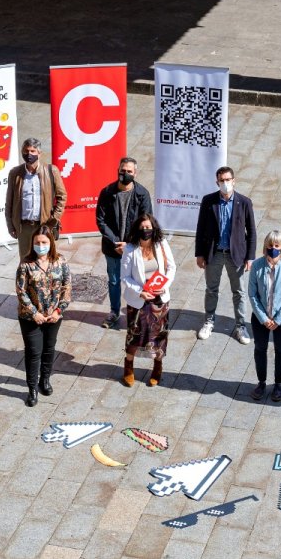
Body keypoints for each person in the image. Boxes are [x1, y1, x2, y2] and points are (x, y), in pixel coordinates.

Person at [194, 166, 257, 344]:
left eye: (228, 180)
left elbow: (251, 231)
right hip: (214, 254)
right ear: (217, 182)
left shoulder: (244, 202)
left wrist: (250, 256)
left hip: (235, 255)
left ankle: (240, 325)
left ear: (234, 181)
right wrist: (199, 253)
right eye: (222, 180)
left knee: (238, 292)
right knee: (211, 289)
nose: (225, 183)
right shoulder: (209, 201)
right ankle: (209, 321)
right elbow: (201, 228)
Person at [15, 226, 71, 408]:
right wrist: (34, 313)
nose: (41, 246)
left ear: (51, 243)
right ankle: (31, 388)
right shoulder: (26, 264)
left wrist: (58, 311)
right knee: (33, 352)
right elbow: (21, 291)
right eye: (37, 243)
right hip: (30, 317)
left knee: (49, 349)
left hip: (54, 316)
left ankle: (44, 380)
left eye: (44, 242)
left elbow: (67, 288)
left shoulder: (60, 262)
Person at [95, 157, 153, 329]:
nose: (125, 174)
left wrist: (128, 245)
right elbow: (101, 220)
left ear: (135, 173)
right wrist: (115, 242)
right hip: (112, 249)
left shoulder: (142, 194)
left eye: (129, 171)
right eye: (123, 170)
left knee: (137, 280)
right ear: (118, 170)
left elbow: (146, 222)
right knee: (114, 281)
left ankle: (136, 313)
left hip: (134, 248)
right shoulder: (107, 192)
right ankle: (114, 312)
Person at [120, 214, 175, 387]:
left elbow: (172, 267)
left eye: (148, 227)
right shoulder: (130, 249)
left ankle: (157, 366)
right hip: (139, 301)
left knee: (158, 336)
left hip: (159, 299)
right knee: (134, 335)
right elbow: (125, 277)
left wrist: (165, 285)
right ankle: (128, 366)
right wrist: (140, 291)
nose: (146, 231)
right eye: (143, 228)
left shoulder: (161, 244)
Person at [246, 231, 281, 402]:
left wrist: (277, 320)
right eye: (270, 245)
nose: (273, 248)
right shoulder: (257, 266)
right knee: (260, 349)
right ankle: (261, 383)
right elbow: (252, 294)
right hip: (261, 318)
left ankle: (278, 384)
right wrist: (264, 318)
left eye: (276, 246)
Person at [4, 137, 67, 260]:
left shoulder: (51, 171)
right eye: (26, 151)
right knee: (26, 262)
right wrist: (11, 226)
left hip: (44, 225)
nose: (29, 154)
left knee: (46, 259)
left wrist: (53, 220)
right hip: (24, 227)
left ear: (39, 153)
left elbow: (62, 197)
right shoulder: (15, 173)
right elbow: (9, 202)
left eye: (33, 151)